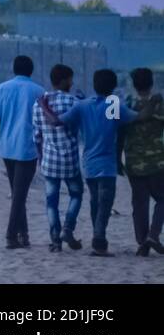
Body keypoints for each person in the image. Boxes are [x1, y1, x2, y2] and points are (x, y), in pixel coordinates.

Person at [58, 68, 138, 256]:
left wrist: (45, 108)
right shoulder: (113, 105)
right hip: (107, 165)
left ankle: (98, 239)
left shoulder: (82, 105)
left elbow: (59, 121)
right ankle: (99, 239)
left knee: (95, 202)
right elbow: (134, 118)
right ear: (113, 86)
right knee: (105, 204)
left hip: (89, 165)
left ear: (94, 85)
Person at [0, 54, 46, 249]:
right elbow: (44, 123)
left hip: (7, 147)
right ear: (31, 70)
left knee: (17, 193)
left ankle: (23, 234)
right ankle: (11, 235)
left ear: (14, 69)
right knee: (19, 195)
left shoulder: (2, 88)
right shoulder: (39, 91)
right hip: (28, 148)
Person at [31, 63, 84, 252]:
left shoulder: (39, 103)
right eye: (70, 79)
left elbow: (37, 135)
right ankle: (68, 228)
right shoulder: (74, 103)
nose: (72, 82)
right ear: (64, 80)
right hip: (70, 160)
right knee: (76, 194)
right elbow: (79, 129)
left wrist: (40, 156)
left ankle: (55, 239)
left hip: (49, 161)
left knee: (51, 202)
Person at [118, 68, 164, 256]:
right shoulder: (160, 104)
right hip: (157, 163)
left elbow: (118, 132)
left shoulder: (126, 103)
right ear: (151, 83)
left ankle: (142, 243)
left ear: (134, 84)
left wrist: (116, 157)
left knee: (139, 203)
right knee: (162, 199)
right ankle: (153, 234)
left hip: (133, 162)